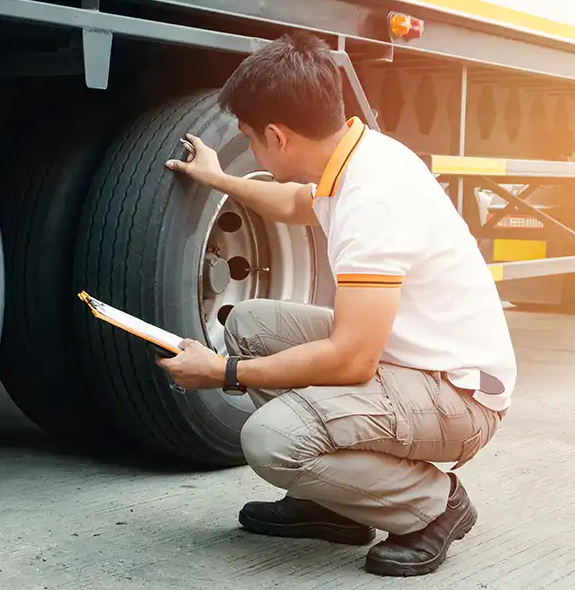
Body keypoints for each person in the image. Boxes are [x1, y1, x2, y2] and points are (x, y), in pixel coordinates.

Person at [156, 31, 516, 577]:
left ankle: (432, 506)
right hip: (412, 362)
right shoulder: (355, 156)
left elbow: (352, 360)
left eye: (252, 137)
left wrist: (224, 373)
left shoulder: (373, 200)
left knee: (271, 440)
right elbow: (299, 203)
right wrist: (219, 178)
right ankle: (335, 505)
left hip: (458, 396)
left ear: (277, 136)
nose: (253, 147)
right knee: (251, 323)